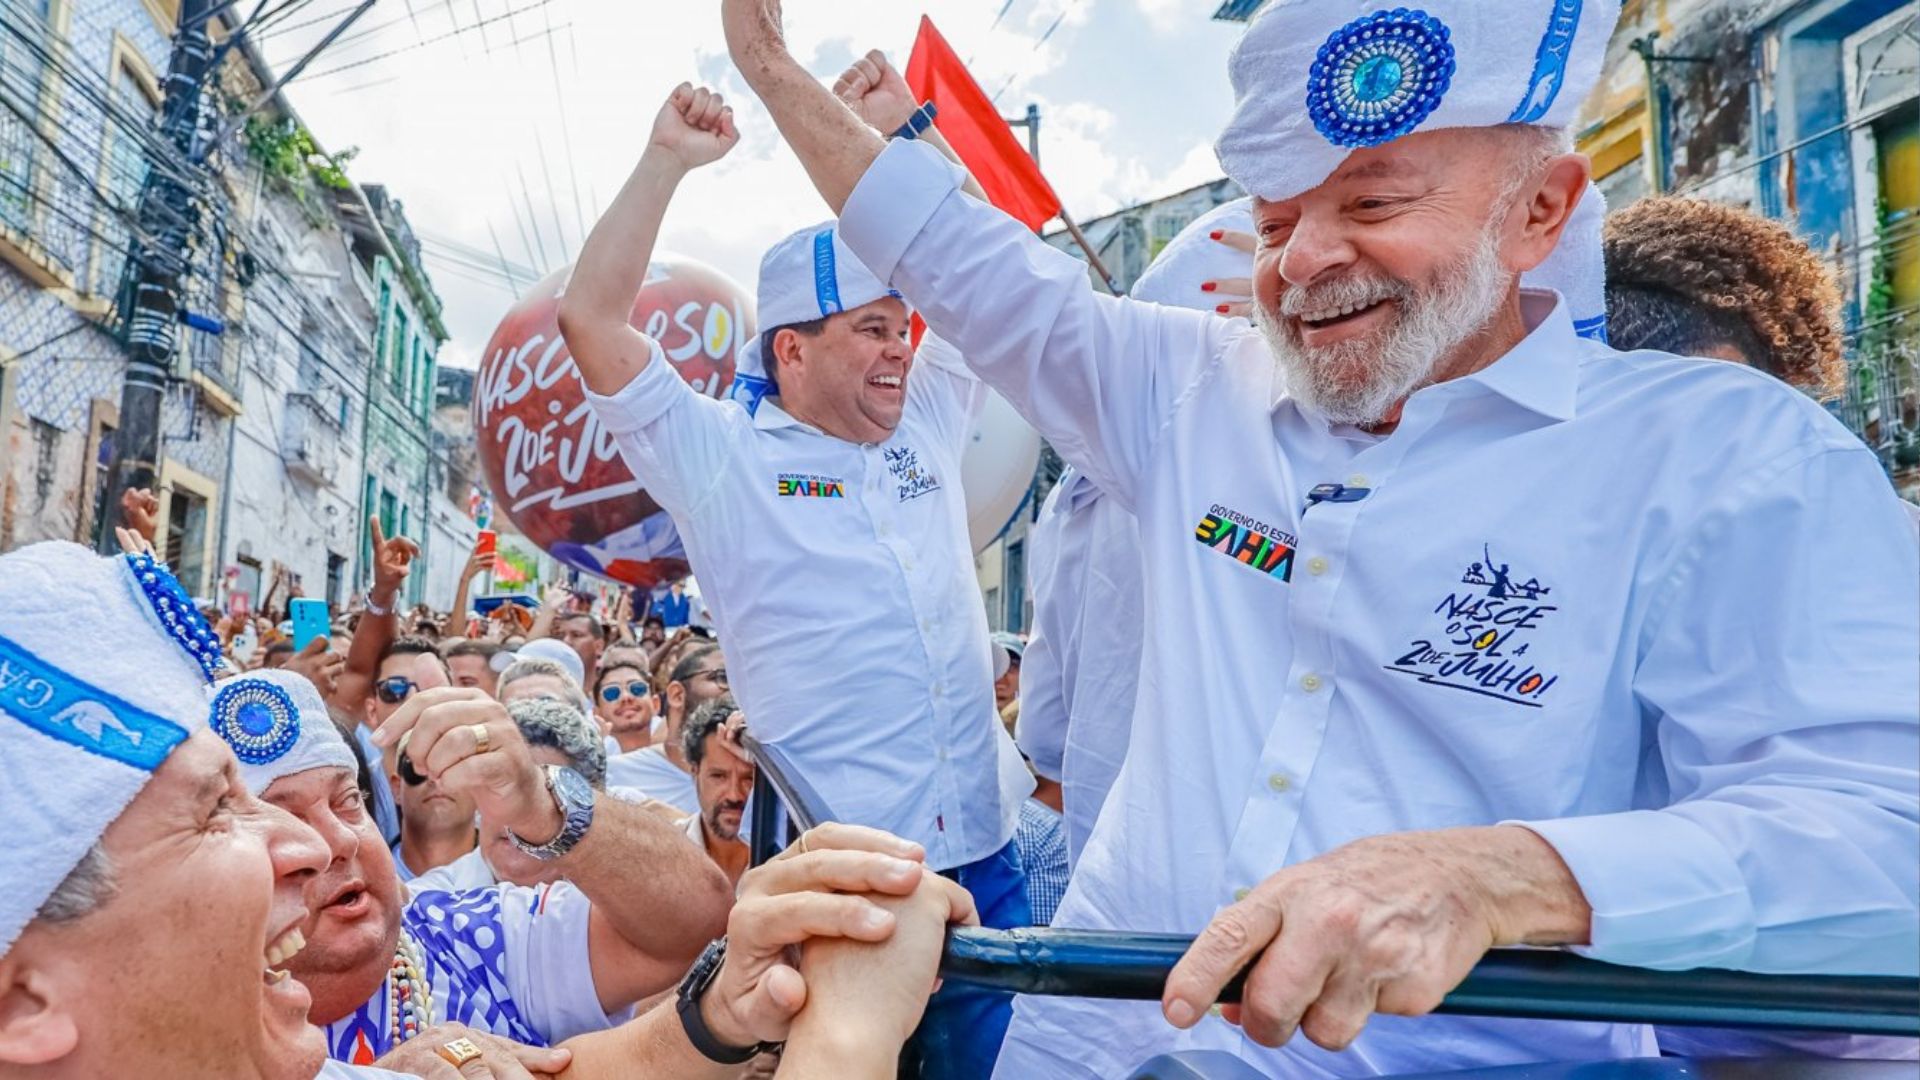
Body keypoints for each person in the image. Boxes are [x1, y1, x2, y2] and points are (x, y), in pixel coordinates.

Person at [724, 2, 1920, 1078]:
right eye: (1276, 216)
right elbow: (974, 265)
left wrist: (1502, 878)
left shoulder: (1726, 456)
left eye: (1373, 203)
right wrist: (771, 70)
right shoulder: (1192, 393)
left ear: (1540, 209)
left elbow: (1881, 845)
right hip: (1093, 1043)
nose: (1302, 262)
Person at [564, 73, 1034, 1078]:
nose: (901, 348)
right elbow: (592, 323)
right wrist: (664, 161)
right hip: (847, 893)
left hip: (995, 863)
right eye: (870, 329)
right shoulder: (718, 457)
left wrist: (908, 135)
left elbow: (991, 267)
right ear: (791, 351)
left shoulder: (931, 419)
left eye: (902, 326)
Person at [217, 667, 735, 1067]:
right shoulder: (174, 1024)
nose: (339, 841)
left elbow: (695, 922)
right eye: (284, 820)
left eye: (348, 801)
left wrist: (540, 803)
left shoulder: (468, 934)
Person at [412, 696, 610, 892]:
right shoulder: (426, 901)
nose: (517, 813)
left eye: (543, 793)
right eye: (502, 788)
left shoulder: (623, 907)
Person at [605, 644, 725, 813]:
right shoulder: (613, 775)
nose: (736, 690)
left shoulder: (757, 778)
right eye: (723, 678)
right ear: (677, 695)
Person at [679, 697, 755, 888]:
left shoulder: (792, 856)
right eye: (719, 776)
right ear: (694, 772)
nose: (734, 795)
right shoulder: (663, 853)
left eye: (749, 779)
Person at [596, 657, 660, 755]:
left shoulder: (683, 758)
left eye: (637, 688)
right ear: (598, 714)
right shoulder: (590, 766)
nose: (625, 697)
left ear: (655, 704)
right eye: (612, 692)